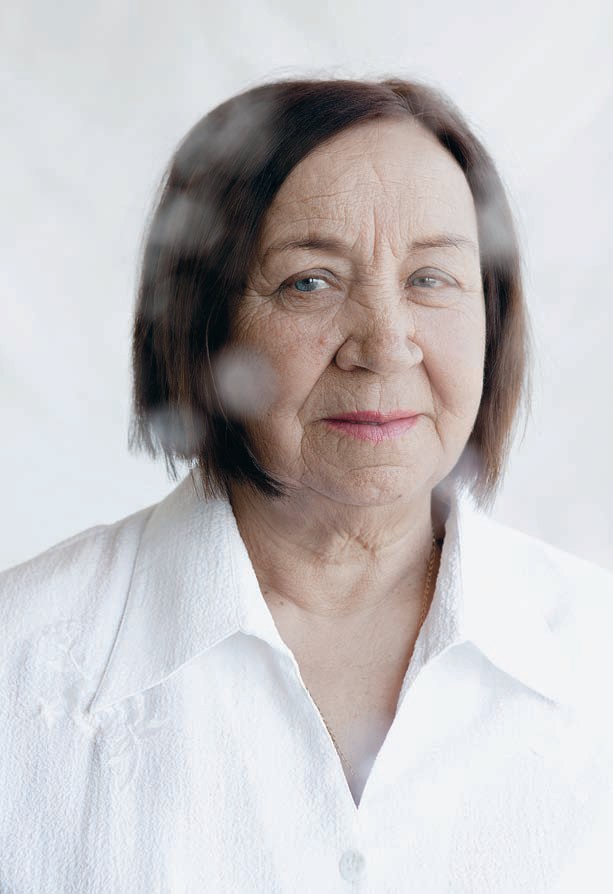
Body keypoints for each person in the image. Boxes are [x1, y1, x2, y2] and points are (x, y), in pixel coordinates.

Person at [1, 77, 612, 894]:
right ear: (202, 324)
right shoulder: (19, 671)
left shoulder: (597, 658)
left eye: (431, 278)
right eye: (309, 281)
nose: (384, 345)